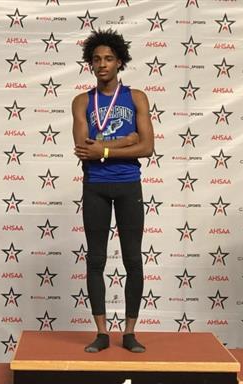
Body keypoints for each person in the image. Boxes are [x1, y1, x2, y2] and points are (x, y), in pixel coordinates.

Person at [72, 29, 154, 353]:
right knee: (96, 259)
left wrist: (105, 150)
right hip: (95, 186)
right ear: (90, 65)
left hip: (127, 184)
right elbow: (83, 148)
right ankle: (102, 332)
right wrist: (126, 140)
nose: (102, 64)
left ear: (120, 62)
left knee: (133, 259)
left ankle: (130, 332)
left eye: (108, 59)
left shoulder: (136, 97)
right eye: (96, 59)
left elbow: (147, 146)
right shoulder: (82, 101)